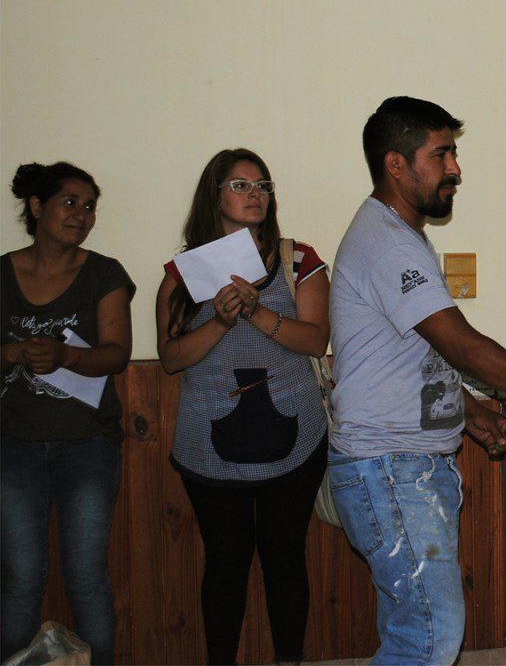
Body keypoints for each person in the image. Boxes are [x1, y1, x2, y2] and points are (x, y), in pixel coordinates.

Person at [328, 96, 506, 665]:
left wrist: (468, 409)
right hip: (390, 468)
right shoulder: (388, 243)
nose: (455, 168)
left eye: (453, 153)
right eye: (441, 154)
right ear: (396, 164)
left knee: (416, 633)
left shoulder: (399, 236)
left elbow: (412, 355)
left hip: (400, 465)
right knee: (430, 637)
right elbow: (461, 345)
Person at [156, 149, 330, 666]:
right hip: (209, 446)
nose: (255, 194)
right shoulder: (187, 271)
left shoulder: (298, 260)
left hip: (295, 440)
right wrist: (221, 322)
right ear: (214, 196)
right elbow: (170, 359)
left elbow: (316, 341)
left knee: (286, 559)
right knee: (226, 563)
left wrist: (256, 313)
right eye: (240, 184)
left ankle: (289, 660)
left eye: (263, 185)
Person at [1, 162, 134, 665]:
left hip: (88, 445)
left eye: (90, 206)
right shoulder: (1, 273)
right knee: (21, 578)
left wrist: (65, 357)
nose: (82, 215)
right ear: (37, 207)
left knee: (86, 577)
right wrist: (13, 352)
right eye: (71, 202)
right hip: (11, 445)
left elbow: (117, 354)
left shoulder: (105, 273)